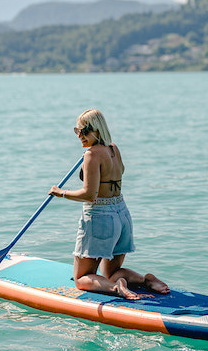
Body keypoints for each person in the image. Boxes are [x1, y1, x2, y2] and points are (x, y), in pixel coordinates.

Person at [50, 108, 170, 300]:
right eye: (76, 130)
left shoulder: (92, 155)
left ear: (97, 130)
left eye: (84, 130)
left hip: (100, 217)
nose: (79, 135)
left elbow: (90, 195)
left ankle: (116, 289)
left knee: (81, 278)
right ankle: (145, 281)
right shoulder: (113, 149)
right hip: (122, 215)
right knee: (112, 274)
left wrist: (61, 193)